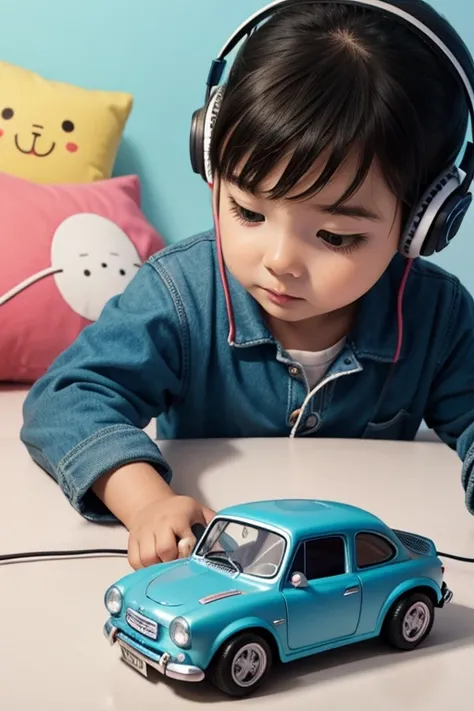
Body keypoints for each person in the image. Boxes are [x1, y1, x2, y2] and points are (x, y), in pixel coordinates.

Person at [20, 0, 474, 569]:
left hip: (360, 566)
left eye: (334, 237)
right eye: (249, 213)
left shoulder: (438, 316)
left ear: (423, 225)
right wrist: (145, 502)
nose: (280, 260)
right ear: (211, 162)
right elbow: (67, 401)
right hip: (222, 568)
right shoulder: (178, 296)